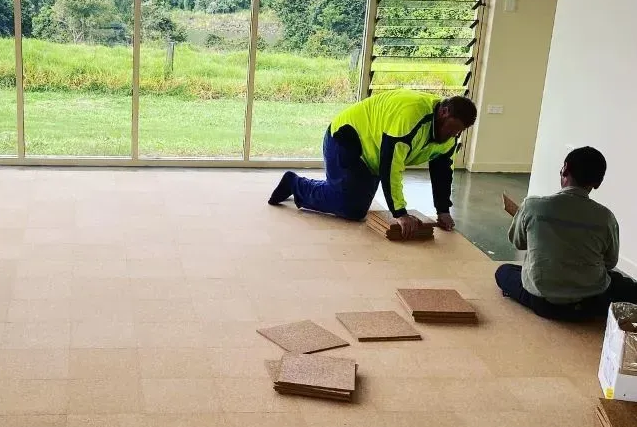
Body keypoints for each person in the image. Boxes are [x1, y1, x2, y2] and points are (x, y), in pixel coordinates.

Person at [268, 89, 477, 239]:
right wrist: (400, 213)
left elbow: (442, 172)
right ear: (444, 112)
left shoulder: (450, 137)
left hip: (373, 154)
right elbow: (392, 167)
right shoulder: (411, 116)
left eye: (461, 131)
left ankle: (313, 187)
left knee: (356, 210)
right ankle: (295, 184)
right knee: (349, 208)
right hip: (347, 139)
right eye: (454, 128)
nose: (455, 134)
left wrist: (443, 210)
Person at [495, 146, 637, 321]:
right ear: (598, 183)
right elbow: (610, 262)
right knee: (625, 285)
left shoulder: (532, 206)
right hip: (591, 302)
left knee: (504, 271)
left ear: (565, 169)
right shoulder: (606, 217)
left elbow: (519, 243)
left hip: (543, 303)